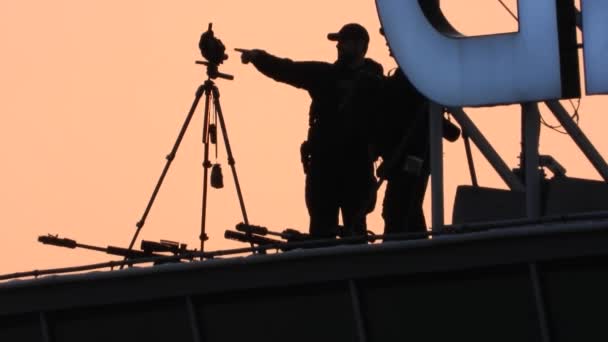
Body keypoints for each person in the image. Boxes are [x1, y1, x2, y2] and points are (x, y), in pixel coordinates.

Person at [237, 23, 383, 239]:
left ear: (361, 45)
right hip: (324, 169)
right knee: (321, 233)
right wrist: (258, 57)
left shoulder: (376, 84)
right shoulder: (325, 75)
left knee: (355, 232)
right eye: (338, 42)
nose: (339, 47)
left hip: (356, 170)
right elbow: (287, 70)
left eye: (344, 42)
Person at [374, 27, 460, 240]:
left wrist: (395, 161)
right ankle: (412, 247)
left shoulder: (412, 80)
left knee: (401, 207)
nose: (388, 45)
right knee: (402, 208)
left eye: (390, 40)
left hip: (413, 156)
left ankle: (404, 252)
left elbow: (414, 121)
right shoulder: (407, 78)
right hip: (407, 155)